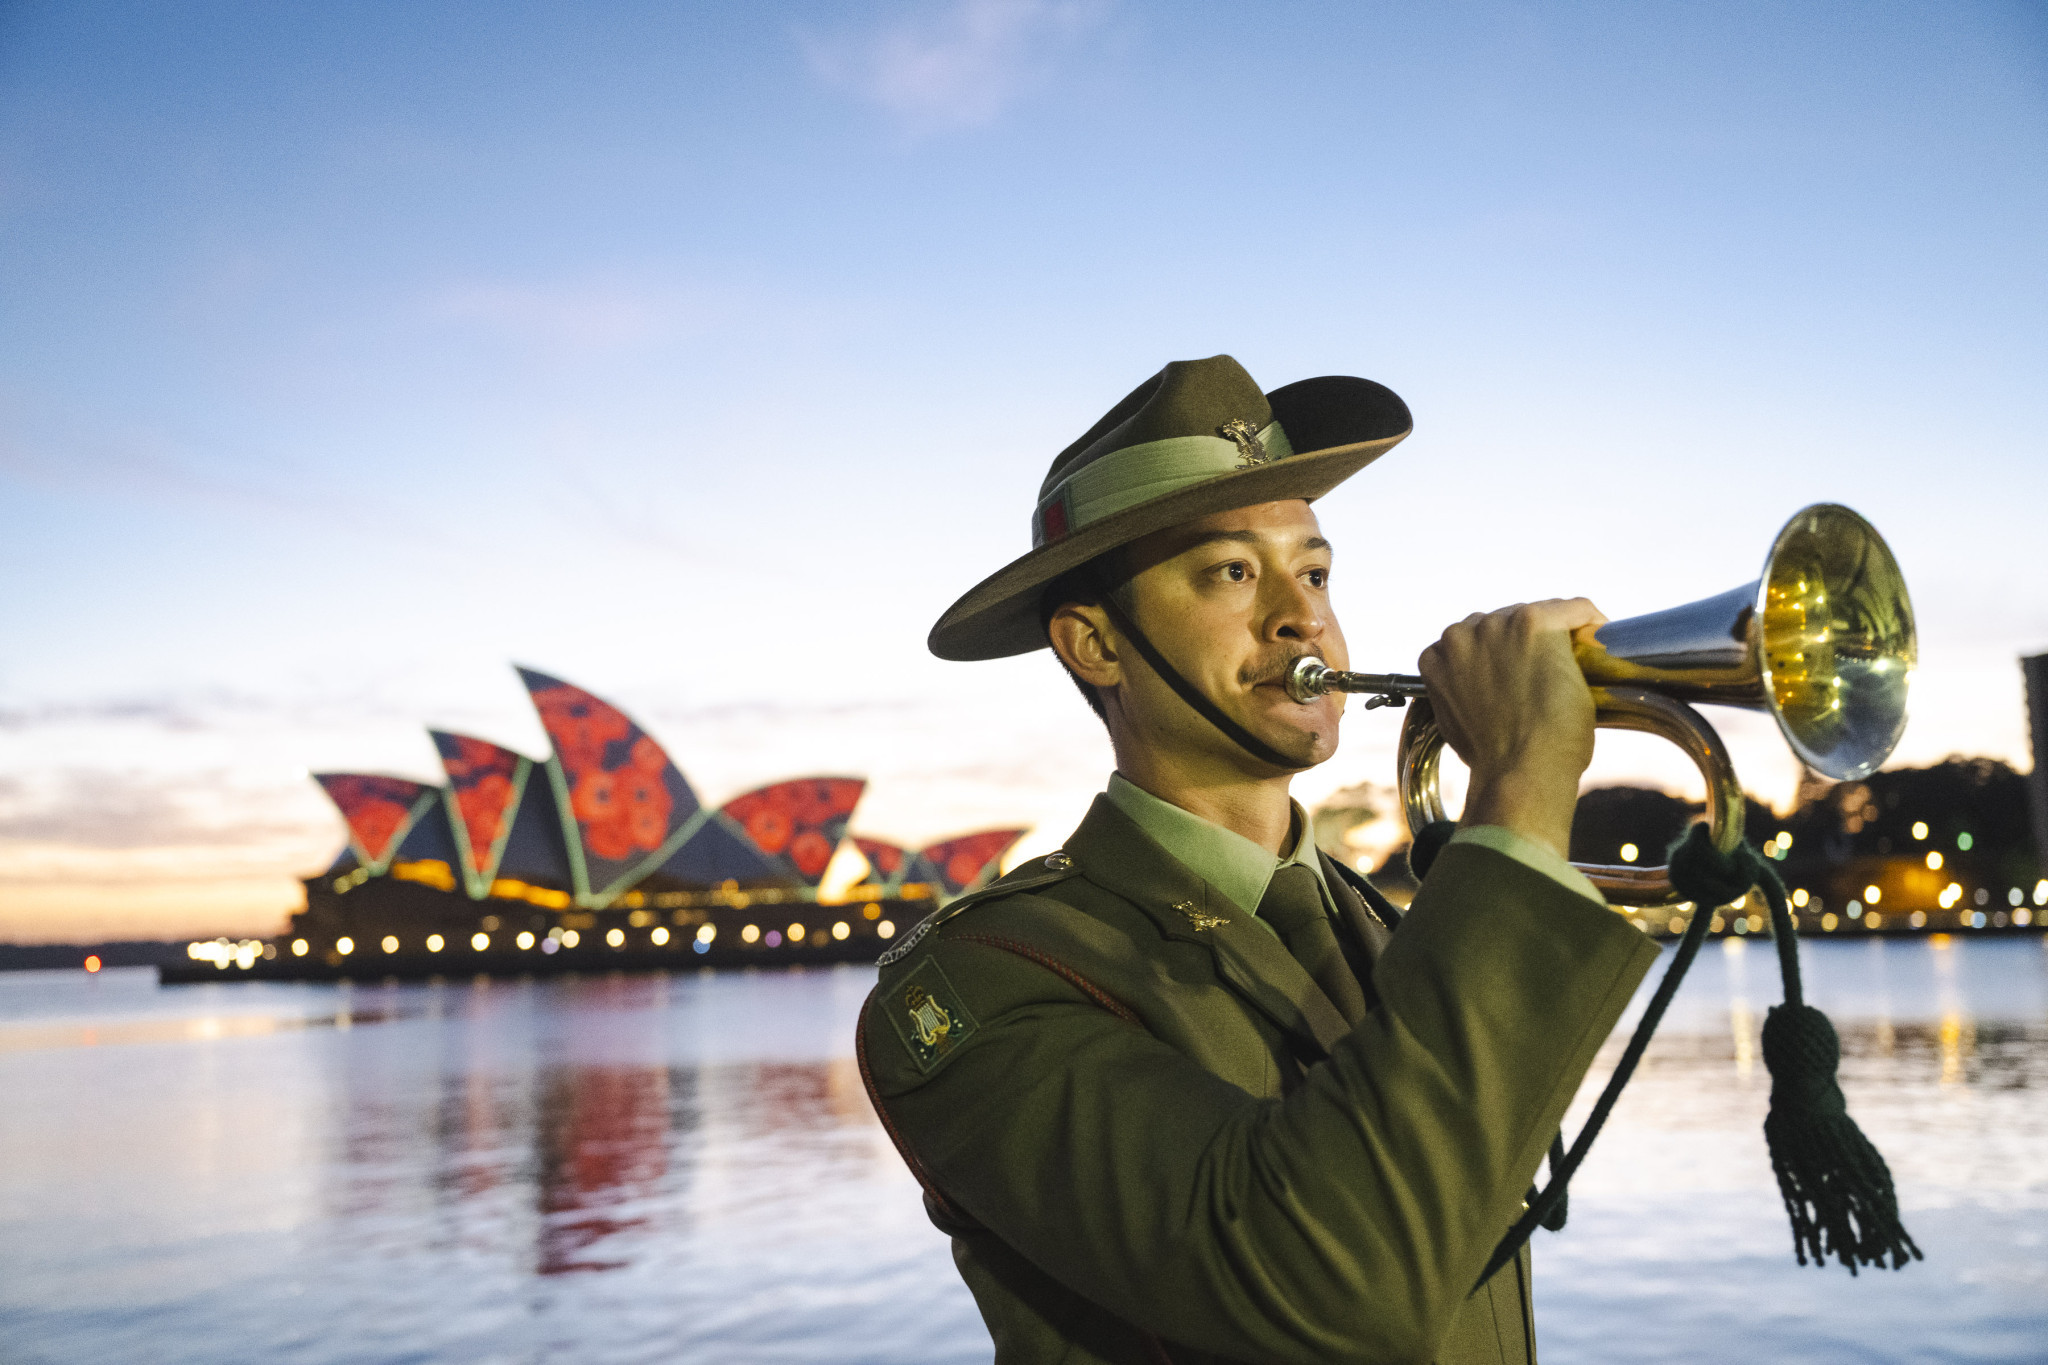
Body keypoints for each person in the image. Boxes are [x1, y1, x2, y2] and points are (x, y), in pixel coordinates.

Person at [857, 355, 1661, 1364]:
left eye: (1314, 570)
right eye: (1231, 571)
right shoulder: (988, 980)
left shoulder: (1380, 920)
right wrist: (1523, 778)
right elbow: (1328, 1284)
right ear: (1094, 646)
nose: (1302, 616)